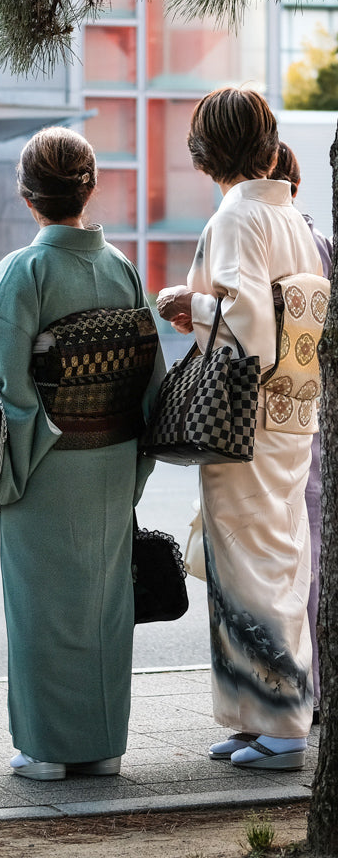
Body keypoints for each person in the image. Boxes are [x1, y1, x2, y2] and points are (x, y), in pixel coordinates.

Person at [0, 126, 165, 781]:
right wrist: (133, 465)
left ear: (28, 196)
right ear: (90, 187)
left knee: (43, 608)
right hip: (109, 462)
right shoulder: (122, 268)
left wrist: (9, 470)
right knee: (104, 607)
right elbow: (148, 382)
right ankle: (104, 743)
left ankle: (47, 748)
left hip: (43, 463)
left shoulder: (23, 271)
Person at [157, 88, 323, 772]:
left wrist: (184, 302)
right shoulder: (284, 211)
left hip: (244, 413)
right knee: (274, 555)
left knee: (251, 566)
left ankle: (281, 721)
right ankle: (256, 714)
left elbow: (250, 324)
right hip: (291, 409)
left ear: (207, 148)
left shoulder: (236, 216)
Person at [270, 141, 332, 724]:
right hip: (316, 417)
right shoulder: (324, 246)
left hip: (286, 416)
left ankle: (296, 694)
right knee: (305, 553)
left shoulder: (286, 242)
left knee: (294, 559)